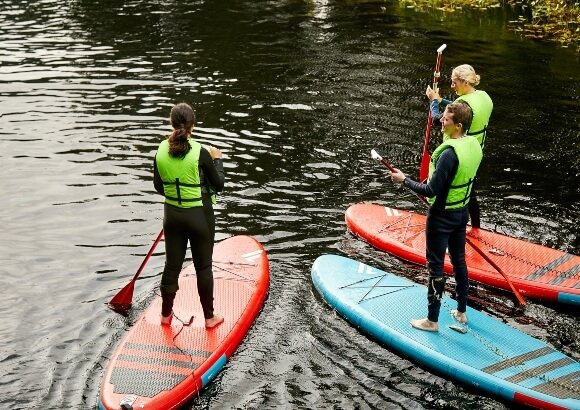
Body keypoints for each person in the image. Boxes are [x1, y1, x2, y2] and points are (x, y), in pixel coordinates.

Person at [390, 102, 482, 332]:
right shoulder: (473, 145)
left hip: (441, 217)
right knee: (459, 262)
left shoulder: (449, 154)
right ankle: (461, 312)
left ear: (458, 125)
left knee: (436, 267)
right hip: (461, 214)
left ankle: (432, 320)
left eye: (446, 120)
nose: (441, 121)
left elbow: (431, 190)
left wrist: (405, 181)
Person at [153, 102, 225, 329]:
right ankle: (210, 318)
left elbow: (158, 186)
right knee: (203, 268)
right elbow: (219, 184)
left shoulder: (160, 150)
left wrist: (177, 198)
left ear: (170, 122)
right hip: (198, 217)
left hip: (172, 216)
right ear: (193, 125)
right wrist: (217, 159)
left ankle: (165, 315)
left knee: (171, 267)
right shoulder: (201, 152)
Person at [425, 64, 492, 229]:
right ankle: (476, 227)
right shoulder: (483, 96)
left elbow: (437, 120)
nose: (452, 86)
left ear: (465, 82)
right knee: (469, 188)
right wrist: (442, 101)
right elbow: (464, 108)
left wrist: (434, 101)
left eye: (455, 82)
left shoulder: (463, 103)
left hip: (458, 152)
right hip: (475, 151)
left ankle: (441, 225)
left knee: (444, 190)